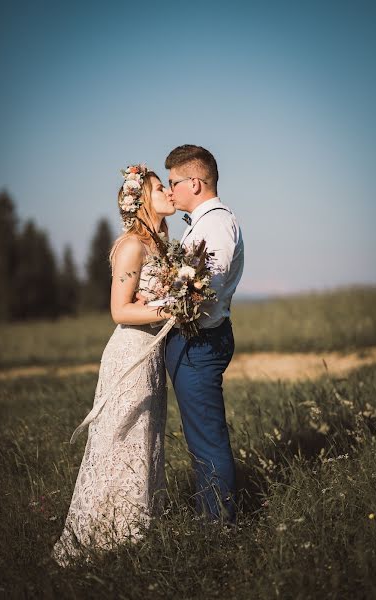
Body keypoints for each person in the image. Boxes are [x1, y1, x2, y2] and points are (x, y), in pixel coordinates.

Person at [52, 166, 175, 567]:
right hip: (130, 353)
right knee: (118, 437)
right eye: (160, 188)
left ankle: (135, 527)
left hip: (153, 354)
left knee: (145, 440)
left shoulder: (162, 245)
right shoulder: (131, 247)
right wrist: (173, 306)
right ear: (142, 200)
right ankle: (100, 533)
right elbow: (119, 310)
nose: (170, 193)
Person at [164, 145, 244, 522]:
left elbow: (207, 281)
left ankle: (218, 527)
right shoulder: (204, 222)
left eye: (173, 182)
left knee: (206, 440)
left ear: (194, 183)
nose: (169, 191)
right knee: (200, 437)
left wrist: (169, 298)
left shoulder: (215, 224)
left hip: (200, 342)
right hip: (196, 340)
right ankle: (211, 514)